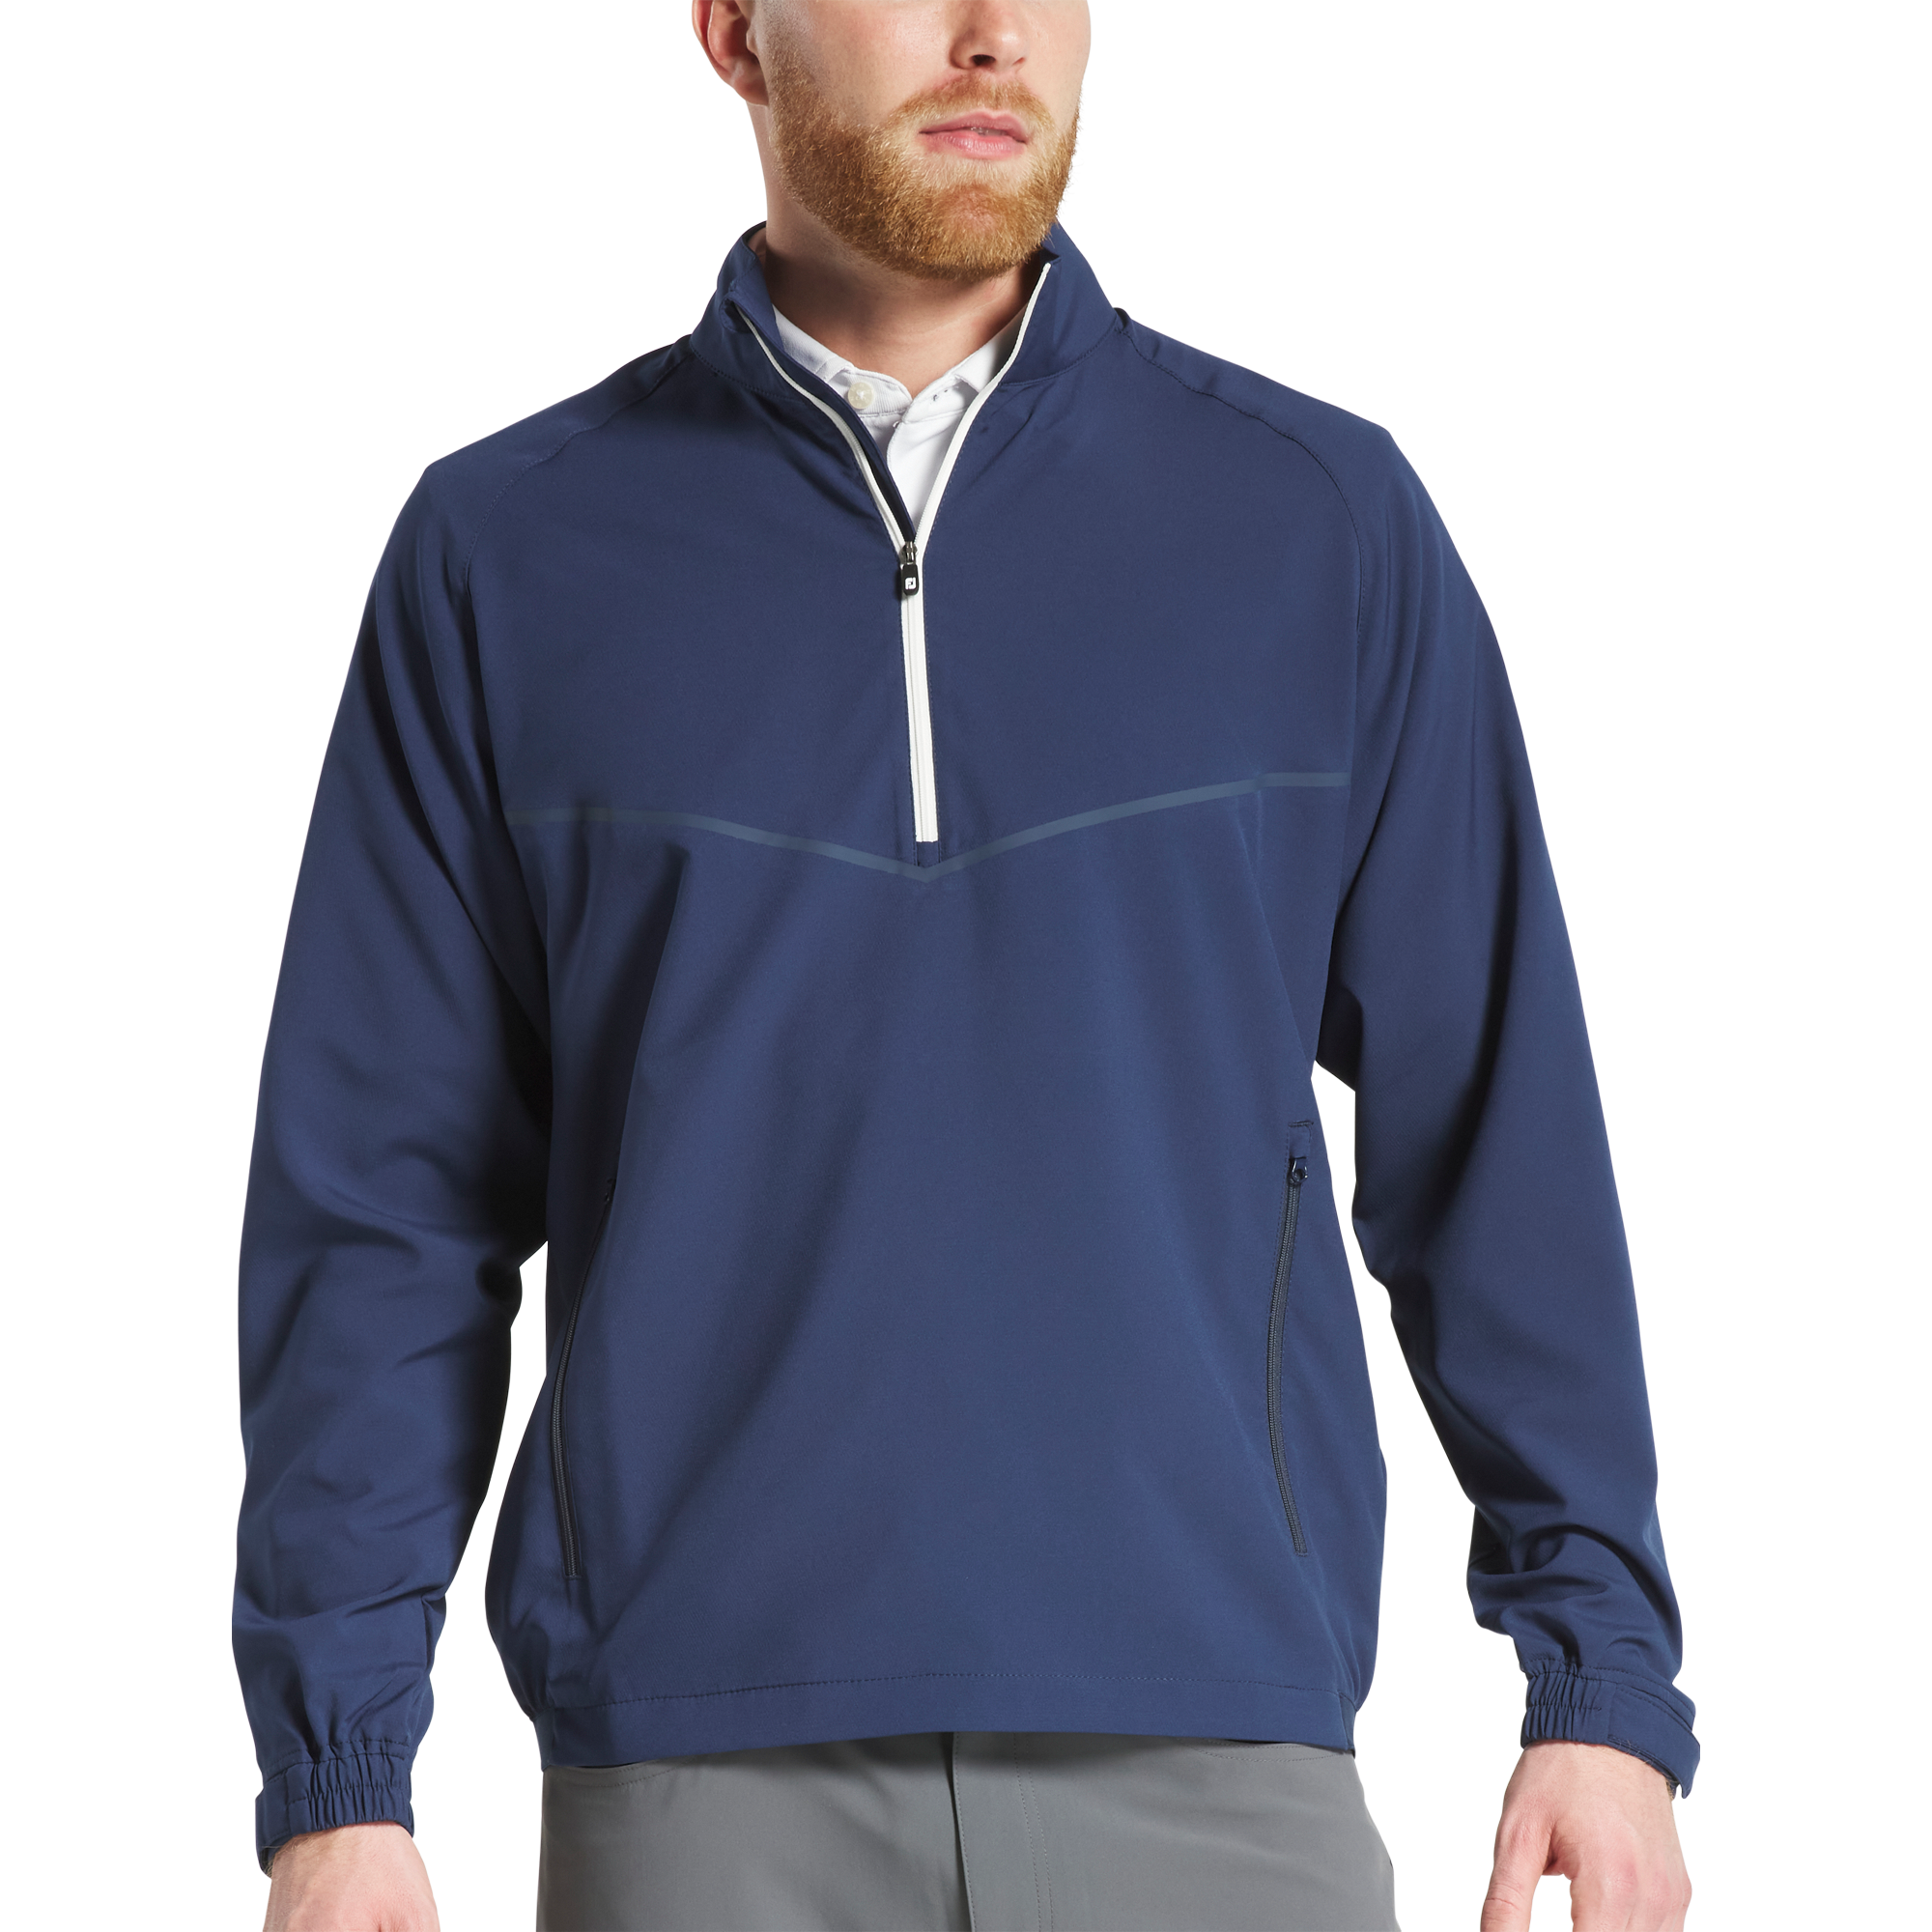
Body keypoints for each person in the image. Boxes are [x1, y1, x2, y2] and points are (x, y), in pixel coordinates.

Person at [234, 2, 1698, 1927]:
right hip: (697, 1778)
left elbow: (1499, 1138)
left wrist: (1601, 1682)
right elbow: (382, 1209)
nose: (994, 34)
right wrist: (339, 1778)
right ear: (733, 31)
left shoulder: (1313, 521)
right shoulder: (505, 553)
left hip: (1215, 1746)